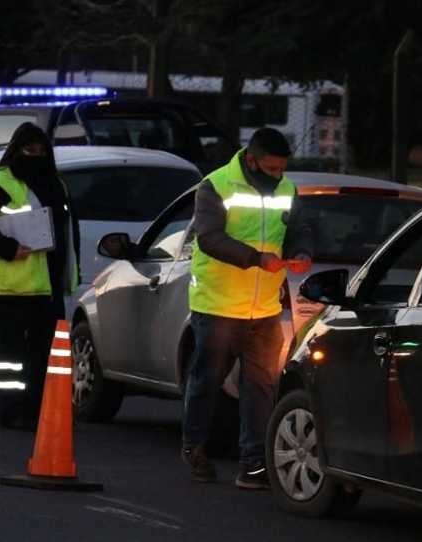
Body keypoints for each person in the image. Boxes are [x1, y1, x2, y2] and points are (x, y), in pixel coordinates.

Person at [181, 127, 313, 489]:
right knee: (207, 380)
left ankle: (253, 463)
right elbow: (208, 238)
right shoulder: (217, 185)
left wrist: (301, 252)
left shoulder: (287, 189)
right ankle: (195, 448)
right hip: (219, 303)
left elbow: (300, 227)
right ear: (251, 160)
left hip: (265, 306)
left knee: (261, 386)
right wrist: (256, 259)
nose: (278, 176)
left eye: (281, 169)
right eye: (270, 169)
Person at [0, 123, 80, 428]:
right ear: (16, 150)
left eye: (42, 150)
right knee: (11, 358)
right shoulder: (0, 183)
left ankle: (38, 410)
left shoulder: (57, 185)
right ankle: (11, 410)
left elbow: (67, 234)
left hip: (47, 287)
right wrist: (8, 247)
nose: (36, 155)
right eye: (30, 150)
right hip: (8, 288)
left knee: (42, 355)